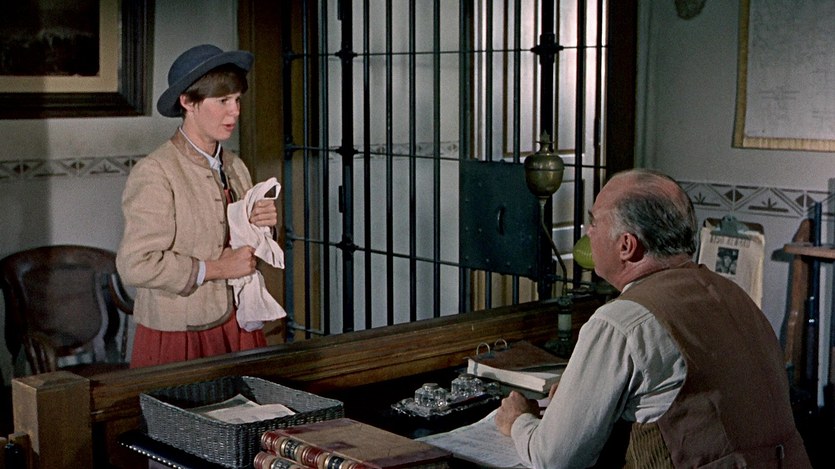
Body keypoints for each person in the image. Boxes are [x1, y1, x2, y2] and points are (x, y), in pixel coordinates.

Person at [495, 169, 810, 468]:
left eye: (594, 222)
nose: (588, 232)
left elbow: (555, 458)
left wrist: (519, 420)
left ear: (626, 246)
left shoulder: (622, 321)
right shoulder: (733, 294)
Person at [116, 44, 278, 368]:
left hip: (238, 324)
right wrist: (217, 269)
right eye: (223, 101)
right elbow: (135, 264)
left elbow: (245, 253)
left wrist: (263, 227)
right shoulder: (156, 171)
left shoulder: (235, 165)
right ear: (188, 102)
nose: (235, 112)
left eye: (237, 100)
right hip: (180, 333)